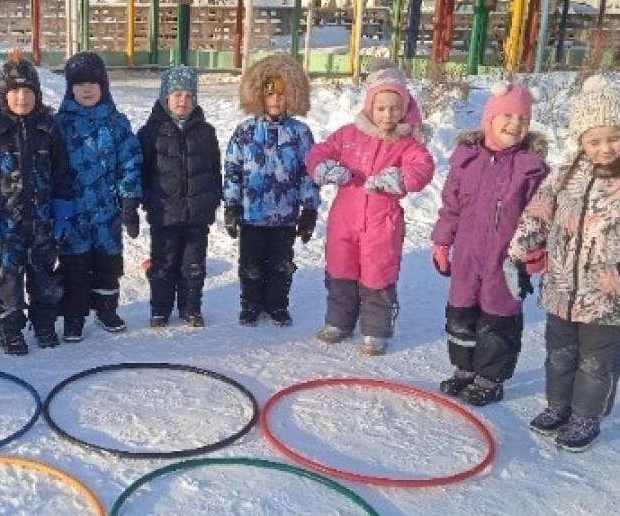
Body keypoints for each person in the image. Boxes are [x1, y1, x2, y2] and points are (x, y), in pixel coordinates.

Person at [507, 75, 620, 451]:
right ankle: (559, 405)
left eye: (613, 138)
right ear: (581, 141)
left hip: (606, 295)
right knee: (559, 352)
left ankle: (587, 414)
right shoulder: (566, 174)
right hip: (561, 288)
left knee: (596, 360)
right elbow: (538, 214)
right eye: (594, 141)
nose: (605, 148)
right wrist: (515, 256)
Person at [431, 82, 549, 405]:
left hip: (507, 259)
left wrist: (537, 250)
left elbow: (542, 215)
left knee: (499, 317)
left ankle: (490, 378)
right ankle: (464, 369)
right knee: (462, 312)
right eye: (507, 116)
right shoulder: (466, 160)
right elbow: (450, 207)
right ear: (489, 119)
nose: (515, 124)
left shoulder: (532, 168)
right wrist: (442, 243)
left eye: (522, 119)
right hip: (468, 255)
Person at [306, 60, 434, 355]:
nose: (387, 115)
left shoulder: (407, 144)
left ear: (405, 108)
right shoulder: (348, 135)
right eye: (381, 108)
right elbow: (320, 151)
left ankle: (375, 330)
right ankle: (339, 321)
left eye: (394, 108)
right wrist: (323, 167)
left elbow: (422, 168)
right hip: (345, 218)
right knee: (341, 269)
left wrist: (401, 178)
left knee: (378, 272)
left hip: (381, 222)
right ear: (369, 107)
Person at [0, 50, 74, 355]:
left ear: (37, 94)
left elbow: (62, 175)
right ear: (4, 96)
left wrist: (63, 215)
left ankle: (44, 323)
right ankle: (9, 327)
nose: (21, 98)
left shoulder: (49, 130)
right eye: (14, 91)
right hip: (7, 224)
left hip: (43, 221)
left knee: (44, 274)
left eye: (28, 91)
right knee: (7, 277)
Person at [223, 54, 319, 327]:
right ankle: (251, 304)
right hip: (252, 214)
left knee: (281, 264)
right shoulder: (245, 131)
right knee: (250, 264)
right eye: (269, 94)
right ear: (258, 97)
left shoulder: (300, 133)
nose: (276, 100)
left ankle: (277, 304)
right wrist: (231, 205)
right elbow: (233, 168)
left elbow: (309, 172)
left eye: (282, 94)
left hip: (285, 214)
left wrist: (309, 209)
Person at [54, 51, 142, 341]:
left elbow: (129, 161)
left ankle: (106, 309)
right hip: (73, 211)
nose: (87, 89)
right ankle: (74, 316)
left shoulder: (116, 122)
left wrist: (128, 201)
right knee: (74, 266)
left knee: (108, 264)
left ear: (103, 85)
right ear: (70, 88)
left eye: (93, 82)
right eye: (79, 84)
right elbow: (51, 165)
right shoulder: (60, 124)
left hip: (107, 211)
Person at [138, 65, 221, 327]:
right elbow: (142, 171)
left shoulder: (205, 132)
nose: (182, 101)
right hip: (164, 213)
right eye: (176, 95)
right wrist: (146, 199)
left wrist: (213, 198)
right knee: (163, 265)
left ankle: (190, 308)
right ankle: (160, 309)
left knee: (193, 266)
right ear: (165, 97)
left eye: (188, 96)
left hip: (197, 213)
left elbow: (213, 169)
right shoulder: (150, 133)